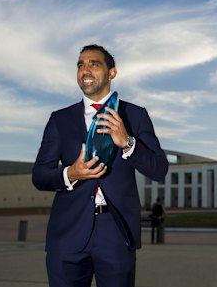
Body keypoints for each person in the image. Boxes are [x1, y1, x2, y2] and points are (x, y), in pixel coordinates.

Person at [32, 44, 169, 287]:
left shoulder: (135, 116)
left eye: (93, 64)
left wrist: (127, 142)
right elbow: (40, 175)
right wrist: (70, 174)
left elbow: (159, 169)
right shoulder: (59, 119)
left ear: (111, 73)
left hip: (115, 233)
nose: (85, 70)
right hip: (67, 233)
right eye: (80, 65)